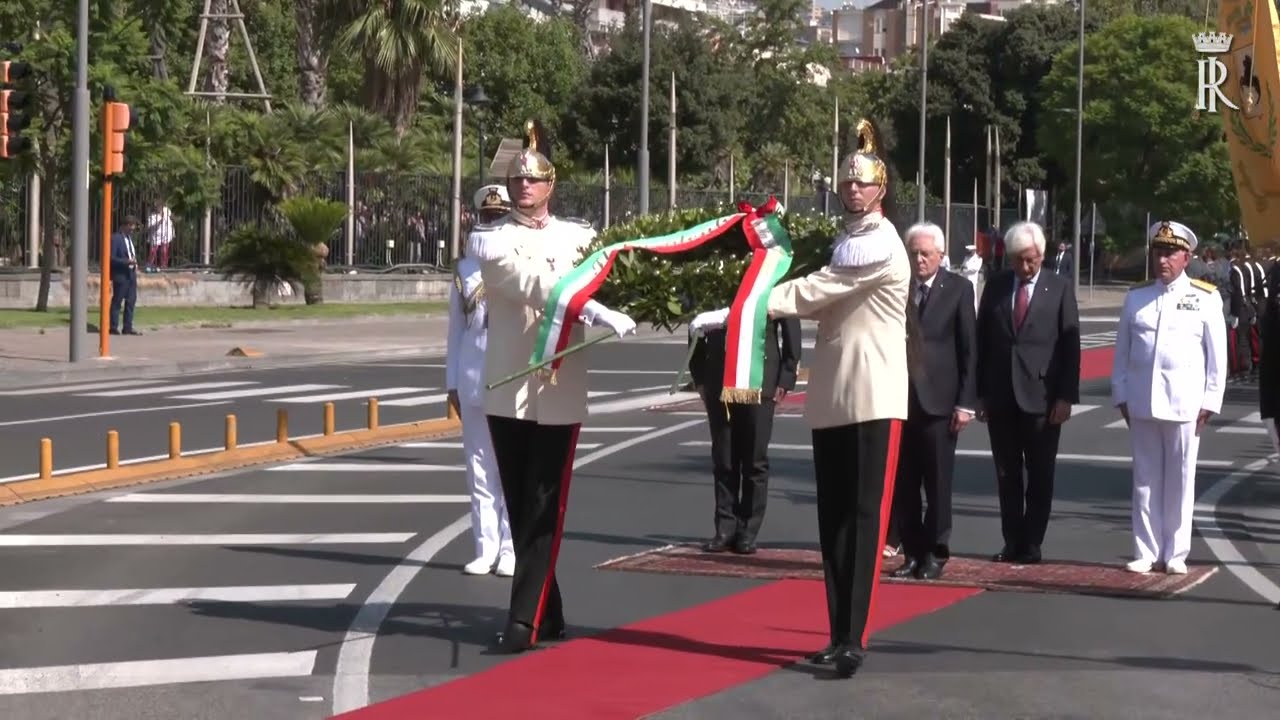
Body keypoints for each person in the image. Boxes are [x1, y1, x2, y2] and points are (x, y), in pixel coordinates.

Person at [691, 118, 910, 679]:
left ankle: (854, 637)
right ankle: (837, 634)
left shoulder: (880, 243)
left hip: (871, 394)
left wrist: (739, 308)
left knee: (862, 522)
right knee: (833, 523)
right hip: (835, 394)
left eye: (863, 182)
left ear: (881, 189)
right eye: (847, 182)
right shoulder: (845, 240)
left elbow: (818, 291)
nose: (853, 189)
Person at [468, 119, 638, 654]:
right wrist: (590, 305)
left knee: (547, 501)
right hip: (507, 388)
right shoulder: (491, 238)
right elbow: (527, 284)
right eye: (517, 180)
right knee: (520, 504)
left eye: (533, 180)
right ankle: (551, 608)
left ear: (551, 186)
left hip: (560, 389)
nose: (523, 187)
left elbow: (616, 270)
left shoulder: (582, 237)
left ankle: (524, 621)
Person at [1111, 221, 1226, 574]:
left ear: (1186, 257)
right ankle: (1145, 551)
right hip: (1143, 403)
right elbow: (1122, 354)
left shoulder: (1205, 297)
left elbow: (1216, 356)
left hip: (1184, 405)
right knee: (1144, 481)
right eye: (1158, 252)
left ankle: (1175, 553)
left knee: (1180, 480)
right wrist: (1122, 396)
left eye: (1170, 253)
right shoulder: (1137, 297)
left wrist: (1210, 401)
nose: (1162, 260)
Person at [975, 221, 1081, 565]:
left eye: (1031, 260)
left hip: (1043, 397)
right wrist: (980, 395)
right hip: (1001, 395)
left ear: (1042, 254)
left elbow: (1070, 346)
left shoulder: (1060, 288)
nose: (1025, 267)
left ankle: (1032, 542)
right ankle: (1012, 541)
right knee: (1007, 475)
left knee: (1039, 474)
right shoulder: (997, 287)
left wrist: (1066, 397)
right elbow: (982, 341)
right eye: (1019, 260)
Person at [891, 222, 976, 581]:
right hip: (900, 398)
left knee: (937, 483)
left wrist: (965, 402)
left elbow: (969, 349)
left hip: (941, 402)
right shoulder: (896, 288)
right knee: (904, 483)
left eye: (926, 253)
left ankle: (936, 552)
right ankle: (912, 552)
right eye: (914, 253)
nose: (919, 259)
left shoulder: (958, 289)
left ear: (941, 255)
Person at [688, 315, 801, 554]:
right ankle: (725, 528)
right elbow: (697, 322)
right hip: (719, 375)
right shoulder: (715, 278)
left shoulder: (767, 278)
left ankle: (747, 531)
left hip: (759, 376)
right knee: (724, 456)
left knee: (754, 457)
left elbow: (789, 319)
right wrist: (699, 373)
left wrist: (787, 374)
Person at [447, 184, 516, 577]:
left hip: (510, 377)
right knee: (479, 470)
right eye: (486, 217)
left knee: (509, 470)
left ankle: (509, 548)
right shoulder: (464, 269)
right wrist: (451, 382)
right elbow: (456, 331)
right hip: (473, 379)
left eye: (499, 217)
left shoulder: (519, 261)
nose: (491, 223)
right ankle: (484, 548)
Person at [109, 216, 141, 336]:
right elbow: (111, 258)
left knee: (131, 301)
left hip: (131, 274)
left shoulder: (129, 239)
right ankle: (113, 327)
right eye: (130, 226)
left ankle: (128, 327)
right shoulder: (115, 238)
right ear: (124, 225)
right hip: (121, 275)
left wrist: (134, 264)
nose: (132, 229)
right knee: (117, 301)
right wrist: (127, 261)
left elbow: (131, 254)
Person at [959, 244, 983, 311]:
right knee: (964, 295)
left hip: (972, 280)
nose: (968, 252)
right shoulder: (966, 257)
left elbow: (975, 269)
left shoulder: (978, 258)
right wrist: (963, 269)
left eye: (970, 251)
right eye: (968, 251)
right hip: (964, 278)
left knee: (973, 295)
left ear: (974, 251)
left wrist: (966, 269)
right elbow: (962, 266)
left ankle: (974, 310)